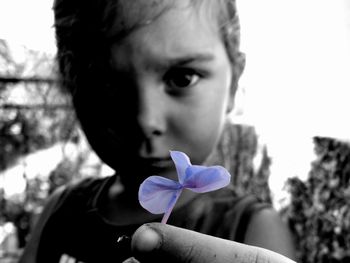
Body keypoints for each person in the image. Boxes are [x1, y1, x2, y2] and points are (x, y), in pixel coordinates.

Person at [19, 0, 296, 262]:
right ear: (71, 87)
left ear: (234, 82)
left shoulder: (254, 232)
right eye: (106, 84)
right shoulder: (60, 211)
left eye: (182, 78)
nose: (145, 120)